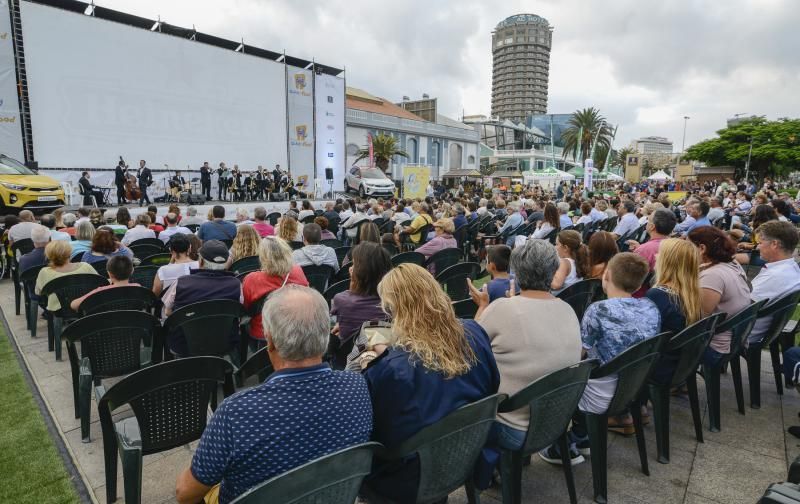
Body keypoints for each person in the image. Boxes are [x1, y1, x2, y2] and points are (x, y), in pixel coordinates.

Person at [175, 285, 372, 504]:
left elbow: (185, 493)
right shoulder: (357, 386)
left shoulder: (236, 413)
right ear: (326, 334)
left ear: (270, 342)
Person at [361, 264, 500, 503]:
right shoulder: (474, 332)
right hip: (470, 452)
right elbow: (492, 386)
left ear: (396, 311)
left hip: (412, 476)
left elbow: (377, 433)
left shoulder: (392, 368)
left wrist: (370, 365)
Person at [540, 252, 660, 463]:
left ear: (607, 275)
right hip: (633, 387)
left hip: (601, 393)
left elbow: (578, 355)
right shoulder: (650, 307)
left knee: (553, 376)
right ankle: (583, 435)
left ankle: (567, 442)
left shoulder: (598, 309)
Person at [468, 239, 582, 461]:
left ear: (516, 273)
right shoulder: (567, 308)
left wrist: (483, 306)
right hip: (558, 420)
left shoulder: (502, 308)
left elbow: (469, 348)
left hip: (514, 429)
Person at [161, 240, 242, 358]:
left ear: (201, 261)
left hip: (184, 344)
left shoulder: (181, 282)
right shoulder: (236, 284)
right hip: (224, 341)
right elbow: (238, 311)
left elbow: (168, 312)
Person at [687, 226, 751, 367]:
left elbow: (697, 318)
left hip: (715, 348)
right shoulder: (731, 263)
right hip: (732, 341)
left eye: (688, 247)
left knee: (659, 347)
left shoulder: (713, 275)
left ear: (702, 248)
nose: (686, 252)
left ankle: (677, 383)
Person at [647, 239, 703, 385]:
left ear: (668, 261)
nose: (655, 256)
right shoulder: (691, 293)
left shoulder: (657, 295)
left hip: (659, 368)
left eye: (660, 253)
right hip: (680, 365)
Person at [330, 242, 392, 362]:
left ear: (360, 272)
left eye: (354, 264)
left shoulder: (341, 299)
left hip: (348, 359)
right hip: (383, 358)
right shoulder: (392, 302)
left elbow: (350, 301)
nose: (350, 267)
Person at [242, 237, 309, 347]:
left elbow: (245, 307)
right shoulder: (297, 270)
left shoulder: (252, 279)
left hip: (264, 335)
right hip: (294, 330)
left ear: (263, 257)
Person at [748, 221, 800, 346]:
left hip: (745, 334)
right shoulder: (792, 267)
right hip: (762, 330)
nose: (757, 247)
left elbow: (741, 306)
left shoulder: (775, 276)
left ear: (774, 244)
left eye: (760, 243)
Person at [35, 240, 100, 312]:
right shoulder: (86, 266)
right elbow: (99, 284)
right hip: (86, 305)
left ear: (48, 255)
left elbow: (38, 292)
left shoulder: (45, 272)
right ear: (69, 252)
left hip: (60, 310)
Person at [70, 255, 138, 311]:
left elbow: (74, 305)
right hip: (134, 325)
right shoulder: (138, 288)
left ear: (109, 273)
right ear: (132, 271)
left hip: (106, 325)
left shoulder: (100, 291)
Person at [551, 229, 590, 294]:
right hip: (570, 297)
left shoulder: (565, 263)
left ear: (565, 248)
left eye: (557, 244)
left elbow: (556, 285)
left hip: (557, 298)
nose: (555, 247)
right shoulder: (579, 260)